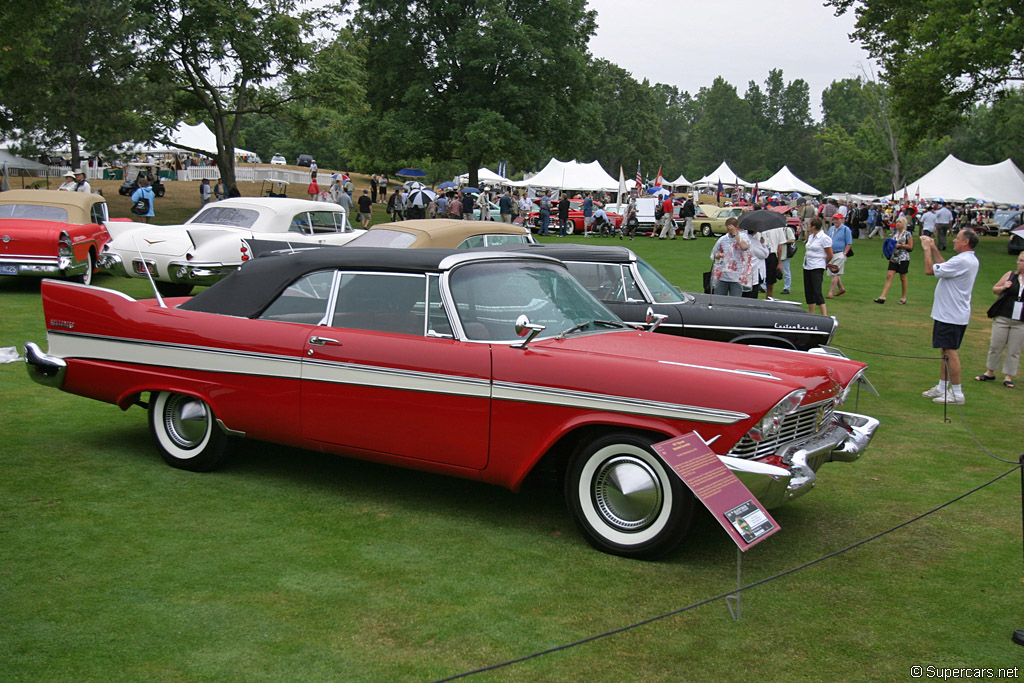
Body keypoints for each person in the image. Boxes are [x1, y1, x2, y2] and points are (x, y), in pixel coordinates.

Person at [920, 229, 980, 405]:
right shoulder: (965, 260)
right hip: (950, 313)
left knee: (950, 352)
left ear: (966, 242)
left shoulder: (963, 261)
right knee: (945, 350)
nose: (954, 240)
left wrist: (925, 249)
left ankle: (957, 393)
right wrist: (933, 247)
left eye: (958, 238)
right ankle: (941, 387)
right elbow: (944, 265)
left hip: (951, 314)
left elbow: (930, 270)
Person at [974, 252, 1024, 388]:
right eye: (1019, 260)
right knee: (996, 345)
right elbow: (995, 289)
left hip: (1020, 320)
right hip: (1003, 316)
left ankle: (1009, 376)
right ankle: (990, 371)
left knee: (1014, 349)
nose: (1019, 263)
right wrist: (1004, 287)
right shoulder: (1011, 275)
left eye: (1022, 261)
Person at [875, 216, 914, 304]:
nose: (898, 224)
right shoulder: (894, 234)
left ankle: (903, 297)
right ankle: (882, 296)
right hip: (894, 257)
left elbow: (910, 246)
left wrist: (900, 245)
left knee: (903, 277)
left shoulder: (907, 234)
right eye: (897, 222)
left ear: (904, 224)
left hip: (903, 258)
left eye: (900, 222)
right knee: (889, 276)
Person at [803, 217, 837, 315]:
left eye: (809, 225)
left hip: (817, 266)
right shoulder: (811, 236)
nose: (808, 226)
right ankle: (811, 314)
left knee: (817, 291)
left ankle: (824, 315)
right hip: (807, 265)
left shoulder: (824, 238)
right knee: (808, 291)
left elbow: (830, 254)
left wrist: (824, 262)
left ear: (814, 226)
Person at [709, 217, 750, 296]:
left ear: (737, 227)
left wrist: (735, 234)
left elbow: (744, 247)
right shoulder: (723, 239)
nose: (730, 231)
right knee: (719, 299)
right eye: (728, 229)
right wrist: (718, 255)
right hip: (723, 275)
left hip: (737, 276)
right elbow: (714, 254)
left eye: (731, 228)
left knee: (735, 301)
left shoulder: (743, 237)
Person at [826, 212, 852, 298]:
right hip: (831, 253)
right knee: (835, 273)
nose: (835, 221)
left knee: (835, 273)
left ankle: (831, 292)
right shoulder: (831, 229)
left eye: (837, 219)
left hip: (840, 253)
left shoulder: (846, 229)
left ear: (841, 220)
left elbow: (849, 243)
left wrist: (844, 253)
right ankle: (841, 288)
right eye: (834, 219)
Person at [779, 223, 796, 294]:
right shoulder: (776, 230)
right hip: (776, 253)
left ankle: (787, 288)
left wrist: (783, 241)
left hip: (785, 254)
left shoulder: (787, 229)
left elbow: (792, 239)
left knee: (786, 272)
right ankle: (764, 286)